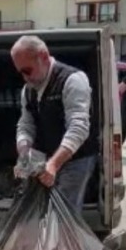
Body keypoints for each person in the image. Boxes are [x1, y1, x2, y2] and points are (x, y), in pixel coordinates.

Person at [12, 35, 97, 213]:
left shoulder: (72, 80)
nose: (25, 77)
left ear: (43, 56)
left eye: (27, 70)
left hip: (76, 159)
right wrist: (24, 151)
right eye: (20, 72)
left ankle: (64, 240)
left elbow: (78, 127)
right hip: (46, 158)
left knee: (64, 212)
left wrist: (54, 164)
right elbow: (26, 124)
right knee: (40, 210)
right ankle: (49, 239)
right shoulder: (28, 91)